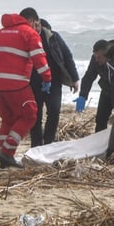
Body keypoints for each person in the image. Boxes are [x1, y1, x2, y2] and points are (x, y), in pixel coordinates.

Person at [0, 12, 52, 168]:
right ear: (30, 21)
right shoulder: (29, 33)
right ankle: (7, 152)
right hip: (16, 84)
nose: (37, 28)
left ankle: (2, 150)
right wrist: (47, 78)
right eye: (36, 24)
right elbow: (39, 58)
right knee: (29, 114)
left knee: (8, 118)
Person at [23, 9, 80, 147]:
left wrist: (74, 78)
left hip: (53, 81)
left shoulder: (52, 37)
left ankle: (49, 144)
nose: (33, 29)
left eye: (35, 25)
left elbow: (67, 56)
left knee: (54, 111)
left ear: (38, 22)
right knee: (35, 116)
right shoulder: (24, 38)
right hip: (32, 83)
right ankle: (36, 146)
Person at [75, 39, 114, 132]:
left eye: (99, 57)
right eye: (95, 56)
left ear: (107, 55)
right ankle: (99, 143)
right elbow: (88, 77)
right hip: (106, 91)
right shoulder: (95, 59)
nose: (96, 60)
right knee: (100, 119)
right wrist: (82, 96)